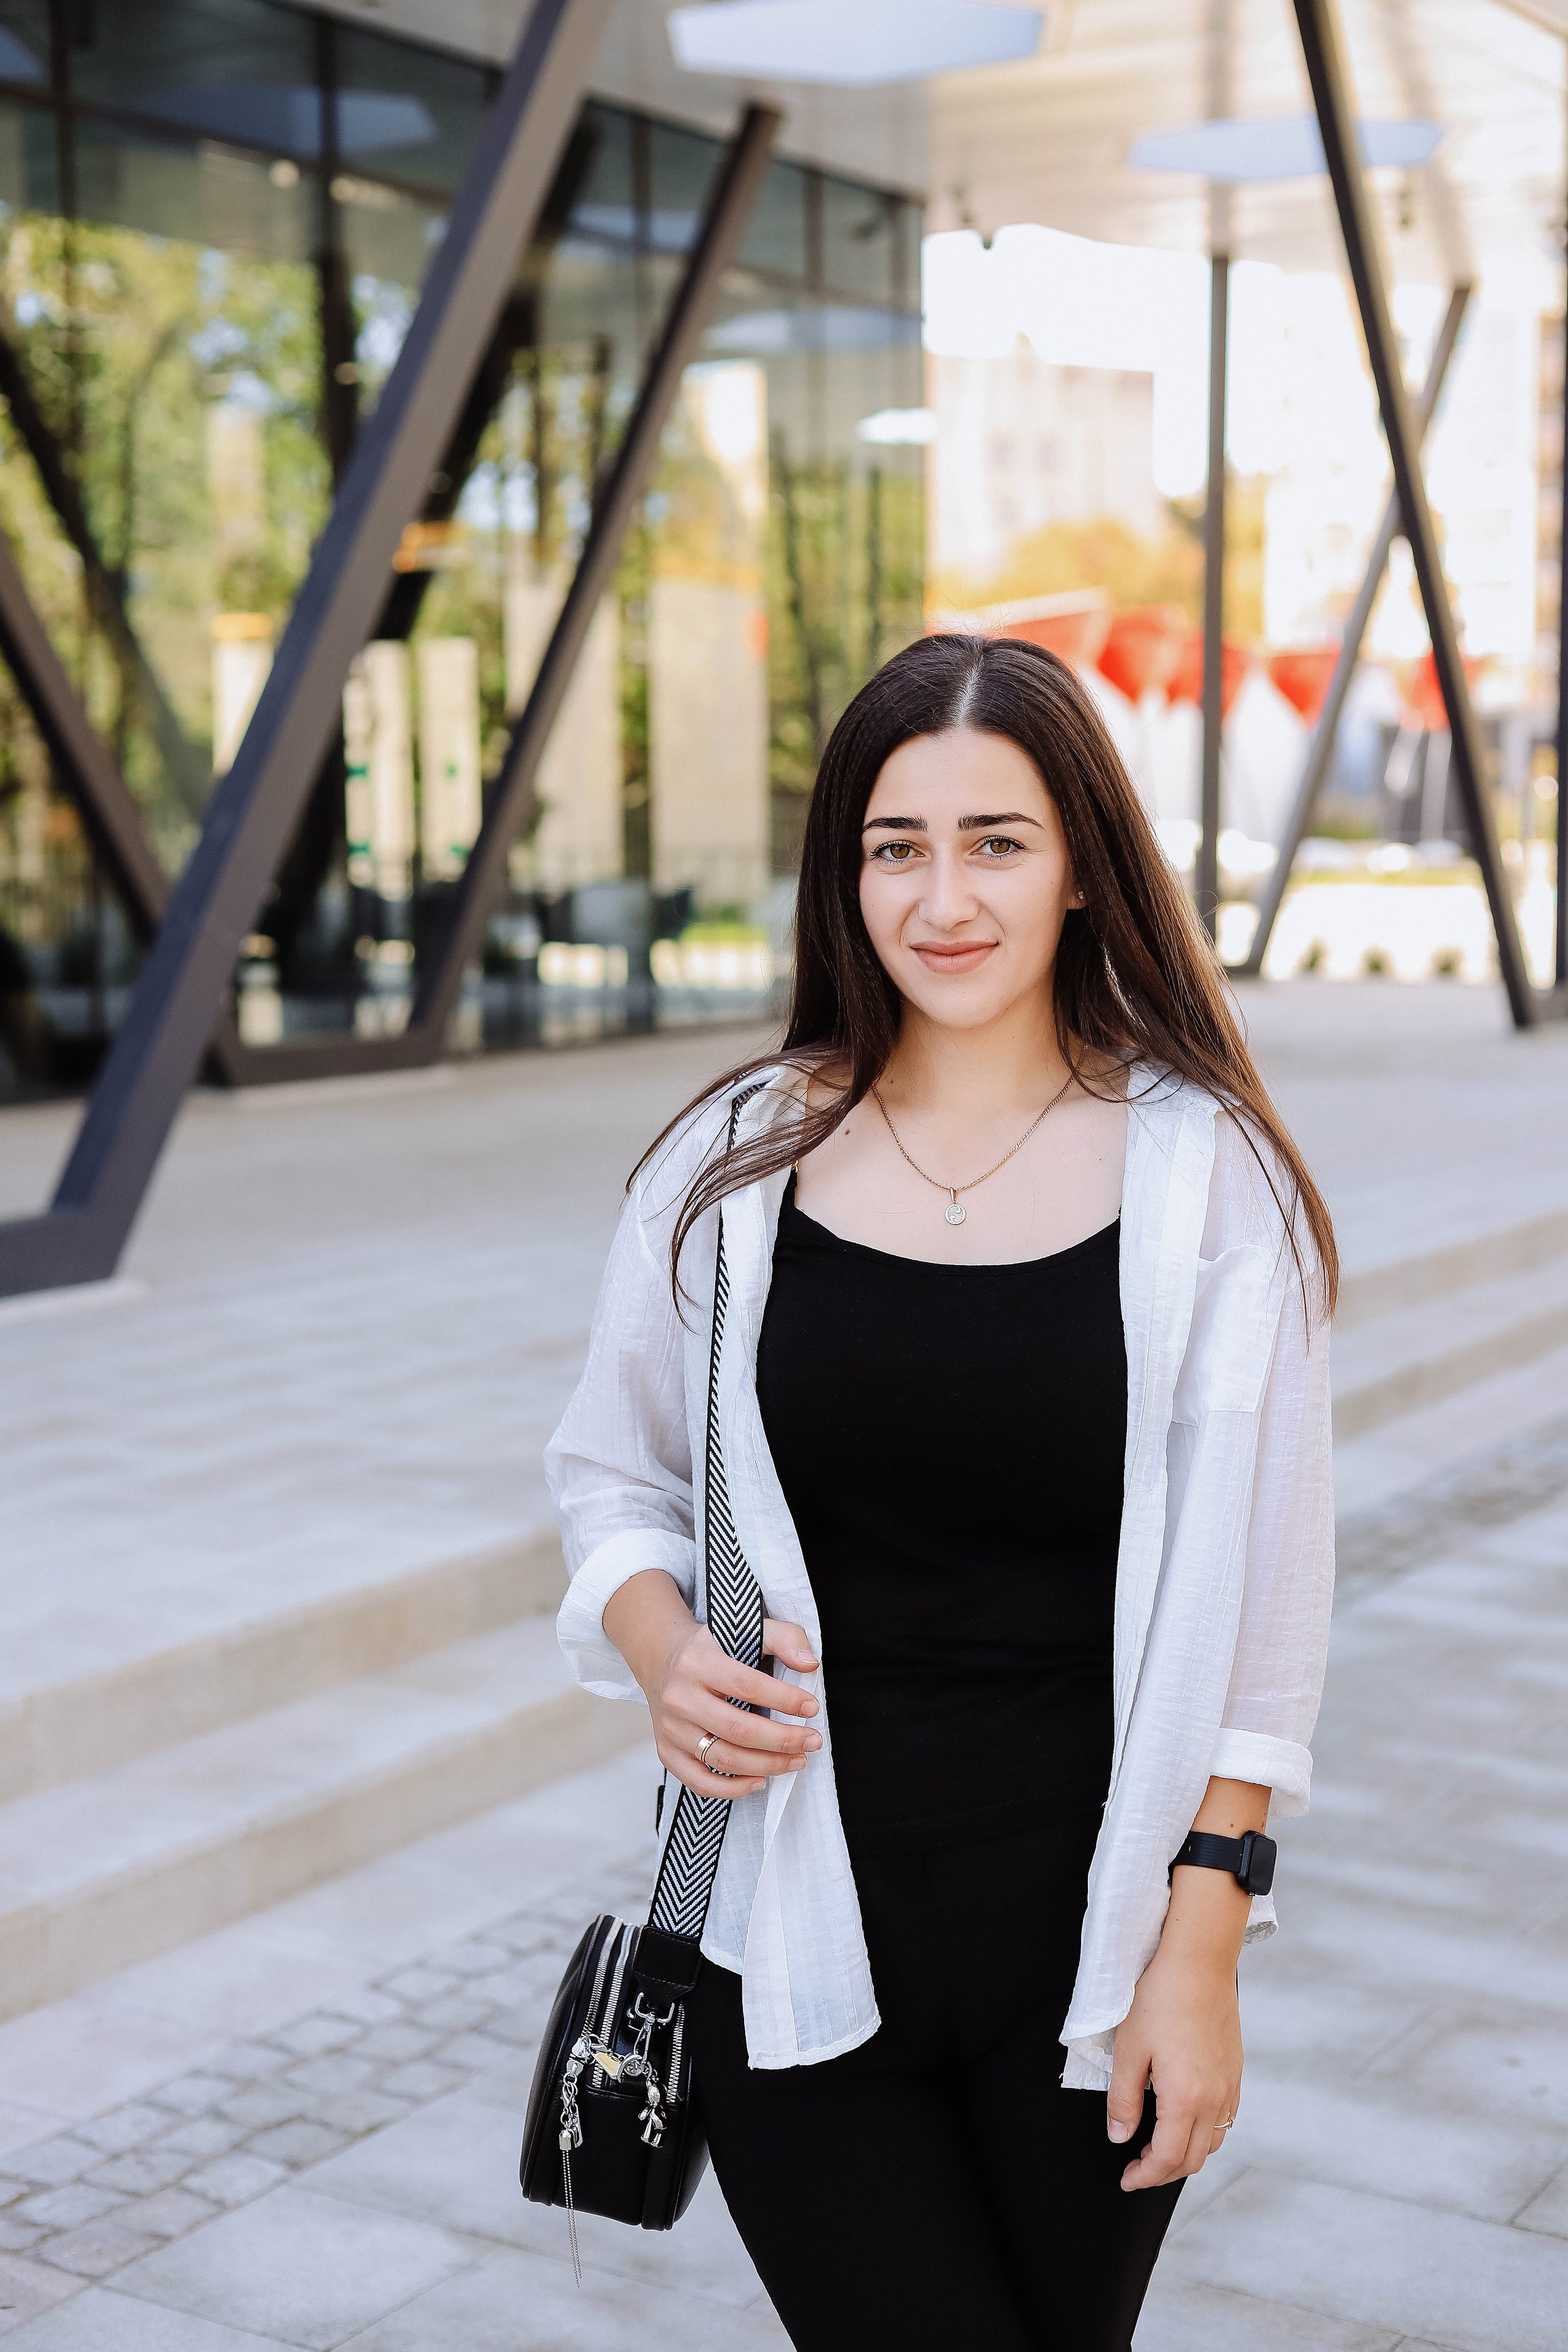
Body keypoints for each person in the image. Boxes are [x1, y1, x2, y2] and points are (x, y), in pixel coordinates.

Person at [545, 633, 1336, 2351]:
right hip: (782, 1933)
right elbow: (611, 1474)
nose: (943, 894)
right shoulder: (732, 1167)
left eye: (998, 840)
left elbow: (1269, 1623)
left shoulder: (1211, 1187)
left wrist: (1200, 1955)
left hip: (1094, 1949)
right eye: (897, 844)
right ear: (845, 874)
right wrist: (662, 1640)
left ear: (1080, 872)